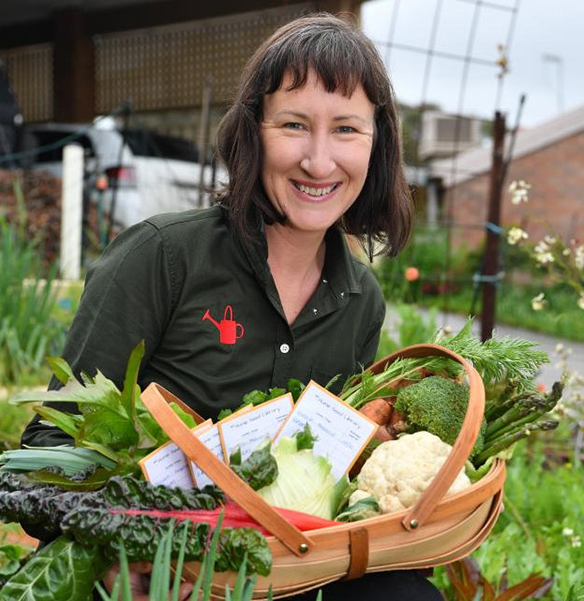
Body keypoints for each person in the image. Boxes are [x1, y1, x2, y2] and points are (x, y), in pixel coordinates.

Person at [22, 12, 442, 601]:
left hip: (276, 572)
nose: (319, 162)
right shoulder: (162, 257)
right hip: (153, 572)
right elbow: (47, 450)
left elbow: (329, 477)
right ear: (253, 132)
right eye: (294, 124)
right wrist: (119, 548)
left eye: (346, 129)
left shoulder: (359, 301)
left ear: (377, 144)